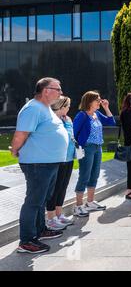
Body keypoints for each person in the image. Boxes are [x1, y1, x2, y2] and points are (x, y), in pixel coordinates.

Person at [11, 77, 68, 254]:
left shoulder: (46, 109)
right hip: (38, 164)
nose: (61, 93)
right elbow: (21, 134)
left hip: (48, 162)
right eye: (57, 89)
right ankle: (26, 241)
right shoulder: (33, 108)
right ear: (45, 90)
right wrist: (15, 150)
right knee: (34, 201)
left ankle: (40, 230)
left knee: (41, 200)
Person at [73, 91, 115, 217]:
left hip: (98, 148)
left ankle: (90, 202)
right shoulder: (82, 115)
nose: (99, 102)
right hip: (87, 148)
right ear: (89, 101)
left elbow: (111, 122)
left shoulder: (96, 114)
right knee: (84, 175)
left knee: (95, 174)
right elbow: (74, 133)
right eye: (97, 100)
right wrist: (79, 148)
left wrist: (106, 108)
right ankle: (78, 205)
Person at [46, 96, 76, 231]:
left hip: (69, 158)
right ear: (61, 106)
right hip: (57, 158)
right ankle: (51, 218)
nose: (69, 108)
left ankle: (59, 214)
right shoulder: (52, 120)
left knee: (63, 187)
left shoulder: (67, 119)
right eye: (67, 106)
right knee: (55, 188)